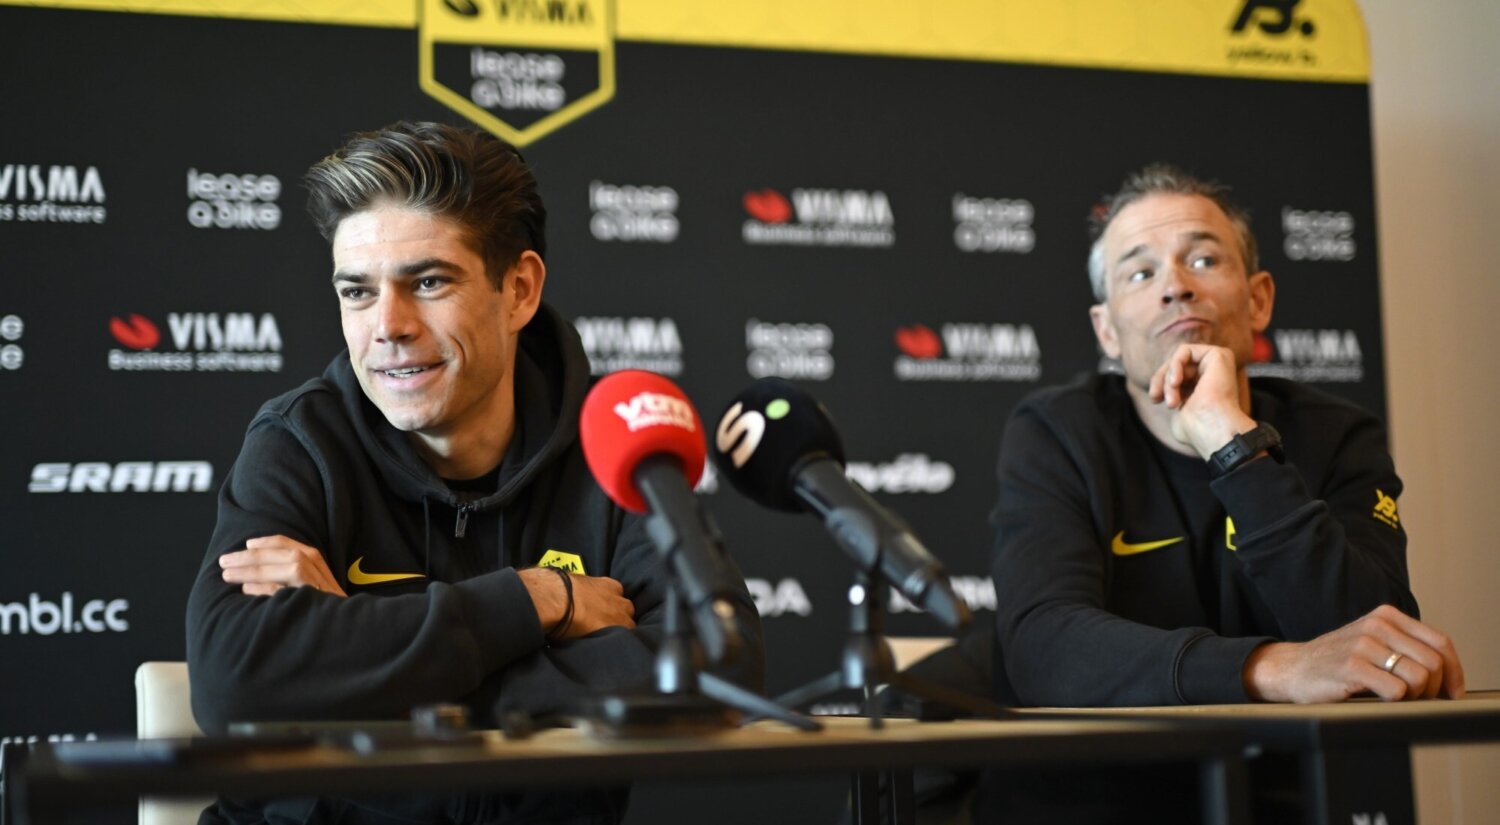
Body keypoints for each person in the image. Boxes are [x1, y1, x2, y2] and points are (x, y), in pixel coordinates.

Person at [185, 121, 763, 825]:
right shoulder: (300, 440)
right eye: (357, 292)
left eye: (428, 281)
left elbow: (722, 665)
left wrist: (372, 668)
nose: (388, 326)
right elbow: (234, 685)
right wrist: (536, 600)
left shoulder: (615, 441)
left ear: (518, 289)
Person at [979, 164, 1464, 821]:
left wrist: (1233, 446)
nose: (1176, 285)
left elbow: (1377, 643)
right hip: (1092, 803)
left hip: (1284, 804)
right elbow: (1044, 645)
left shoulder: (1338, 435)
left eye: (1203, 259)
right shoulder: (1056, 432)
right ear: (1107, 330)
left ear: (1259, 299)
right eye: (1139, 273)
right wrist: (1270, 667)